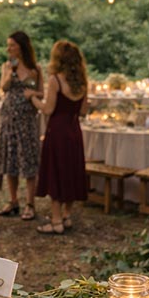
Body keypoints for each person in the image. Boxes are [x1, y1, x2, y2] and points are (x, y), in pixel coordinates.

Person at [28, 40, 89, 235]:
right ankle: (67, 215)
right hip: (74, 130)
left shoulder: (55, 80)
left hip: (57, 131)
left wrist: (32, 98)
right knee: (70, 170)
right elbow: (83, 111)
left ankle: (55, 221)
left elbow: (48, 109)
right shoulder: (82, 82)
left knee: (56, 172)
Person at [0, 31, 43, 221]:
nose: (9, 49)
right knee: (11, 159)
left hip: (27, 120)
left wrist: (32, 94)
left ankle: (30, 203)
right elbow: (4, 88)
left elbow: (41, 93)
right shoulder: (7, 66)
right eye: (8, 46)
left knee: (28, 159)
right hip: (9, 118)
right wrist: (11, 72)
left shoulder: (35, 68)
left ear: (22, 47)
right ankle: (13, 200)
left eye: (12, 45)